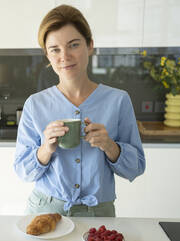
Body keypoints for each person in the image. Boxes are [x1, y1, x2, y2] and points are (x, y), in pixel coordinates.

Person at [13, 5, 146, 217]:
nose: (64, 56)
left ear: (90, 45)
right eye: (54, 49)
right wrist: (45, 149)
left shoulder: (118, 100)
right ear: (47, 55)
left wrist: (110, 146)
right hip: (45, 211)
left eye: (73, 45)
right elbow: (22, 171)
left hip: (99, 214)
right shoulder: (35, 104)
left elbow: (136, 167)